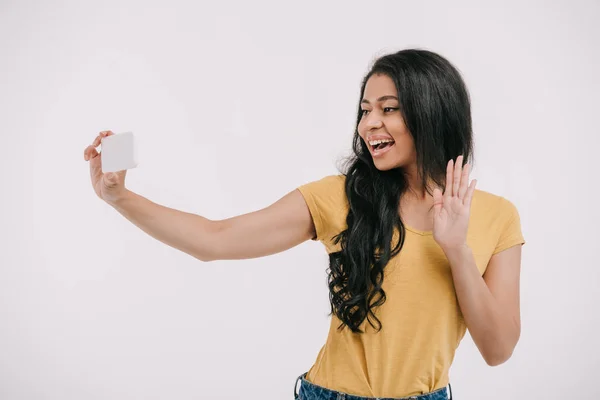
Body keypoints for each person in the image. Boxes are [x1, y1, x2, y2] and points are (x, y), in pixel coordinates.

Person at [83, 48, 525, 400]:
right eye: (366, 109)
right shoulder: (340, 197)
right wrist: (119, 196)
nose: (370, 123)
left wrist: (456, 249)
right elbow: (212, 240)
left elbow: (498, 350)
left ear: (432, 112)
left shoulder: (496, 216)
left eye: (389, 109)